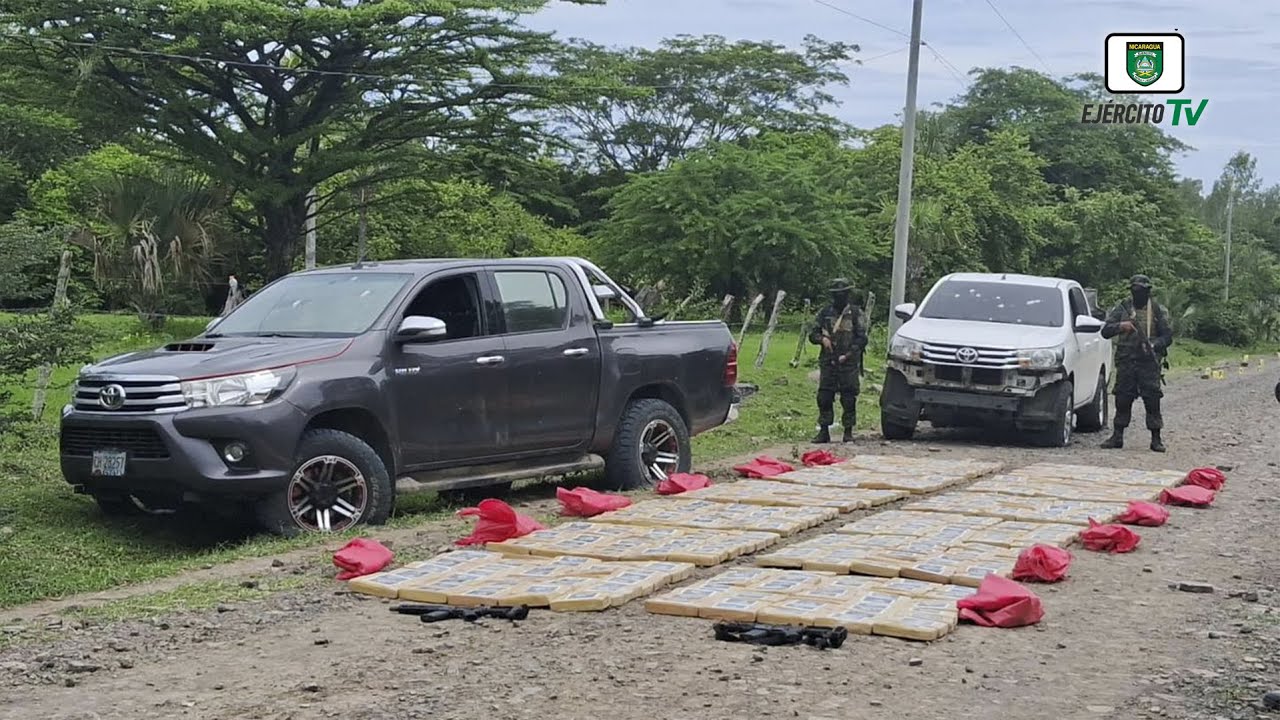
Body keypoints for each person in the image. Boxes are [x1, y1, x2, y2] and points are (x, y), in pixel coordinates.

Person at [1100, 274, 1173, 452]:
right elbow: (1105, 331)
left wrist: (1154, 345)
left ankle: (1156, 438)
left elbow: (1167, 336)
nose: (1138, 293)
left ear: (1148, 291)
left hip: (1148, 362)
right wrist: (1120, 326)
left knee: (1152, 400)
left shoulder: (1157, 310)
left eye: (1141, 290)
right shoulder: (1123, 308)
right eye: (1135, 290)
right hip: (1126, 361)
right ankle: (1117, 436)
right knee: (1123, 399)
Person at [808, 278, 868, 444]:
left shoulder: (856, 313)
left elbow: (862, 339)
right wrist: (822, 340)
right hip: (829, 361)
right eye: (837, 294)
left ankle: (848, 431)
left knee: (849, 397)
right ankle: (824, 430)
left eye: (843, 294)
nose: (840, 297)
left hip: (848, 363)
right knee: (825, 396)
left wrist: (848, 354)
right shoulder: (825, 312)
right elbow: (812, 334)